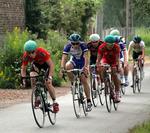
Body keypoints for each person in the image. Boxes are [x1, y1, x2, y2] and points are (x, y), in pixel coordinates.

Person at [20, 40, 59, 113]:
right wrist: (23, 81)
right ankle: (37, 97)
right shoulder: (26, 56)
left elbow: (51, 66)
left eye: (33, 52)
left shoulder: (42, 52)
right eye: (29, 53)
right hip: (36, 65)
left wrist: (50, 77)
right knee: (32, 77)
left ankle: (55, 102)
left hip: (46, 65)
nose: (31, 54)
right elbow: (23, 70)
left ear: (36, 50)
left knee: (48, 83)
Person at [60, 33, 92, 112]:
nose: (75, 46)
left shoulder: (83, 45)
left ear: (79, 42)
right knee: (67, 66)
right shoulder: (68, 46)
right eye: (73, 44)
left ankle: (88, 101)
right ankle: (72, 84)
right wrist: (61, 68)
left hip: (82, 62)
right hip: (74, 61)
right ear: (70, 43)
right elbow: (64, 58)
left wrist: (86, 67)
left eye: (77, 43)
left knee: (83, 80)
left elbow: (87, 57)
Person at [96, 35, 121, 103]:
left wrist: (117, 66)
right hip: (105, 59)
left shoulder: (116, 47)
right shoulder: (101, 47)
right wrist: (97, 66)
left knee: (114, 74)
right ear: (105, 43)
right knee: (103, 68)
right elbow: (98, 59)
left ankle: (117, 93)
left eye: (112, 44)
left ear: (114, 43)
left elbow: (117, 59)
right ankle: (105, 82)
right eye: (108, 44)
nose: (110, 46)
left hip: (113, 60)